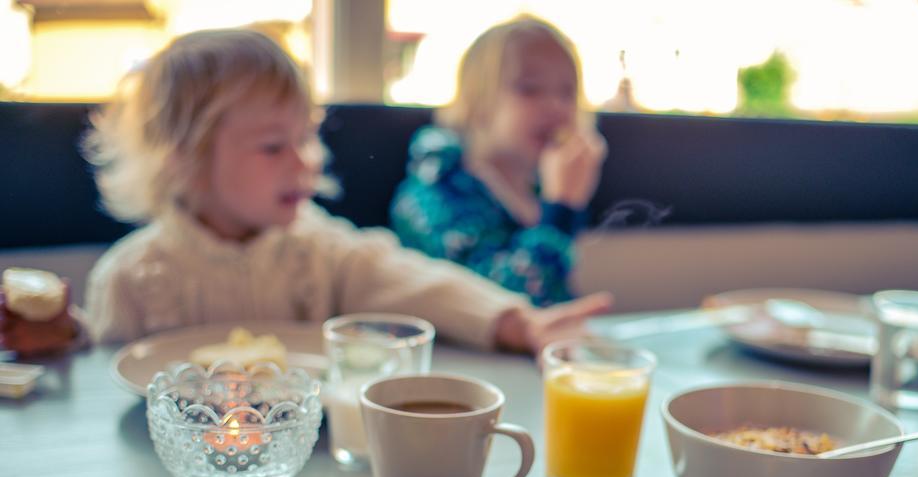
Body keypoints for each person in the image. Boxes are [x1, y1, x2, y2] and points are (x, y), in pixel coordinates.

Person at [83, 29, 610, 353]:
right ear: (185, 160)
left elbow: (415, 281)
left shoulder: (318, 250)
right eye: (272, 146)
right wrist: (60, 339)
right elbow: (91, 387)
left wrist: (514, 320)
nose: (304, 160)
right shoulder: (130, 280)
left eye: (306, 137)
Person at [389, 16, 606, 307]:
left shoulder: (538, 187)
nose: (556, 106)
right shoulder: (437, 193)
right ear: (479, 99)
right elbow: (492, 305)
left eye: (567, 92)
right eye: (530, 88)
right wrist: (561, 209)